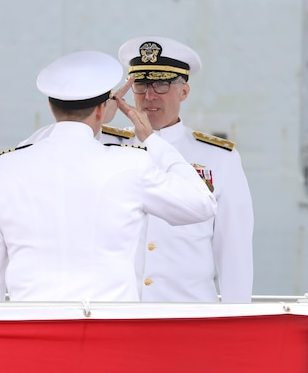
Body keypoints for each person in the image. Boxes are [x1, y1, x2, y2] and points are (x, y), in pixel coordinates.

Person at [0, 50, 217, 302]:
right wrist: (151, 140)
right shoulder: (131, 163)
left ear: (51, 107)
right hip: (108, 335)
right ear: (101, 109)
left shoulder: (2, 169)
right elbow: (201, 204)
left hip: (34, 333)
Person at [108, 35, 254, 302]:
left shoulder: (218, 157)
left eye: (161, 85)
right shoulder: (106, 146)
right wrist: (101, 114)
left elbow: (234, 249)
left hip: (188, 314)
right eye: (141, 85)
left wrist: (236, 318)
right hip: (119, 314)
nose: (149, 96)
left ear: (184, 92)